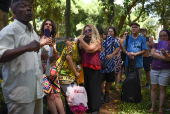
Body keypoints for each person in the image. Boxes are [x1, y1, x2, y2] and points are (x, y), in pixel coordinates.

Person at [0, 0, 51, 113]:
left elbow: (34, 58)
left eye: (30, 6)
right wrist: (26, 47)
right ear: (14, 12)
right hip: (20, 97)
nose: (28, 8)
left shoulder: (33, 33)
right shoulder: (8, 31)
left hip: (36, 93)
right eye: (23, 6)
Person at [40, 19, 65, 114]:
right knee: (50, 96)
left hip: (52, 70)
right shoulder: (39, 38)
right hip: (41, 71)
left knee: (57, 95)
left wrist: (52, 46)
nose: (48, 26)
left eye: (50, 24)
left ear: (52, 28)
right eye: (46, 24)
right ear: (43, 26)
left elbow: (56, 57)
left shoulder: (54, 41)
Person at [78, 24, 102, 114]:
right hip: (84, 66)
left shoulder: (98, 40)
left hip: (94, 66)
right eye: (86, 31)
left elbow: (89, 49)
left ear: (94, 31)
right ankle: (88, 108)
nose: (88, 32)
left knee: (94, 88)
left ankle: (95, 108)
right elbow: (80, 47)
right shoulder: (85, 40)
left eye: (89, 30)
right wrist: (82, 41)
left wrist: (80, 39)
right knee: (86, 87)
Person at [56, 39, 81, 114]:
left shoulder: (79, 49)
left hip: (71, 74)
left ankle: (76, 111)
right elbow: (68, 58)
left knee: (75, 94)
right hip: (63, 73)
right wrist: (76, 72)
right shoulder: (72, 45)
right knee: (70, 95)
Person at [149, 29, 170, 114]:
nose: (162, 37)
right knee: (154, 88)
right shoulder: (156, 45)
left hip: (165, 71)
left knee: (162, 89)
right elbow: (153, 54)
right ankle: (153, 106)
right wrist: (165, 58)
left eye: (164, 35)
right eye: (161, 35)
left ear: (168, 36)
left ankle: (160, 107)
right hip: (154, 69)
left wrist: (165, 54)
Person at [98, 28, 120, 103]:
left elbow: (118, 47)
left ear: (102, 34)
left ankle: (106, 94)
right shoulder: (96, 40)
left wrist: (112, 54)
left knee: (109, 80)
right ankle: (101, 94)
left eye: (99, 36)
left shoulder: (110, 39)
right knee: (100, 80)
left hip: (110, 64)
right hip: (99, 64)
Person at [107, 27, 121, 92]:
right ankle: (108, 86)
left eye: (111, 31)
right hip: (108, 58)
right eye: (109, 31)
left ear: (114, 32)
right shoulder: (106, 39)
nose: (110, 32)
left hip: (116, 58)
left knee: (116, 73)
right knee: (108, 73)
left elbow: (121, 47)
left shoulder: (118, 39)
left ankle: (116, 86)